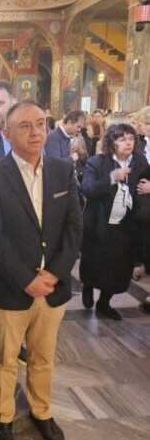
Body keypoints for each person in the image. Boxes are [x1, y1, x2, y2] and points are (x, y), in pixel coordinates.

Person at [0, 102, 82, 440]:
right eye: (24, 126)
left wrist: (53, 273)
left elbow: (73, 228)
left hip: (53, 286)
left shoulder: (63, 170)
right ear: (7, 134)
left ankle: (41, 411)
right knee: (5, 358)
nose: (35, 132)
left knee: (43, 356)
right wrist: (26, 279)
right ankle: (3, 417)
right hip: (9, 287)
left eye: (40, 123)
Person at [80, 124, 148, 319]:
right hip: (99, 223)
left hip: (126, 224)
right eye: (122, 139)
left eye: (131, 139)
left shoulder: (140, 161)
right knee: (94, 261)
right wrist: (111, 178)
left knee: (118, 266)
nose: (128, 142)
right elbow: (87, 189)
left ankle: (104, 303)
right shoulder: (97, 162)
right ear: (111, 142)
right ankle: (88, 286)